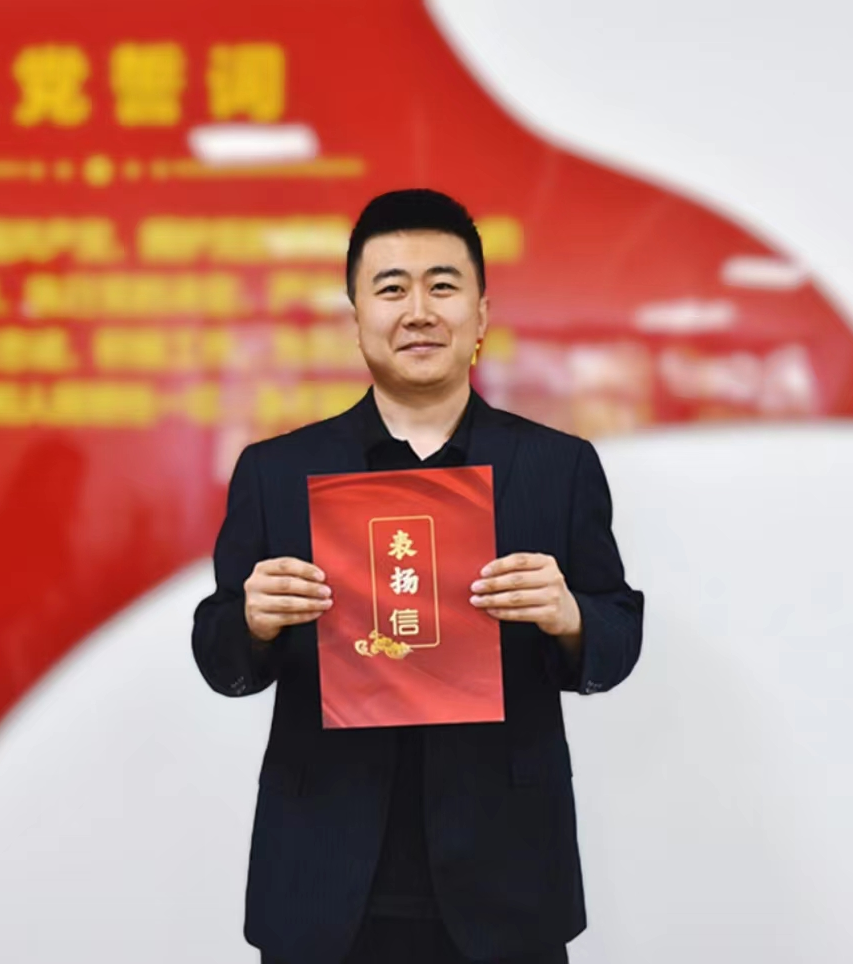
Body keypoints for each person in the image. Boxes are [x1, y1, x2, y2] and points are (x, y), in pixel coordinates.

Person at [192, 189, 644, 964]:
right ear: (357, 316)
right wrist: (252, 622)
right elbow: (220, 652)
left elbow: (617, 628)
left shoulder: (557, 466)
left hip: (507, 878)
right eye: (391, 288)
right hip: (324, 876)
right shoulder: (277, 472)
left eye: (442, 285)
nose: (419, 311)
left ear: (481, 312)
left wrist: (571, 617)